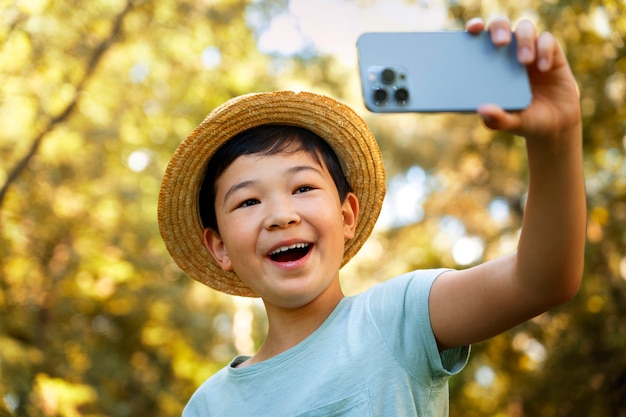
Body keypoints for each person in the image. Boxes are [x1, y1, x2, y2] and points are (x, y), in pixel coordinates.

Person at [157, 16, 586, 417]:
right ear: (219, 247)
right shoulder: (210, 405)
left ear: (347, 215)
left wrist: (556, 139)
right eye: (248, 202)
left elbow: (541, 282)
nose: (281, 216)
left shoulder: (399, 318)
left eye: (303, 188)